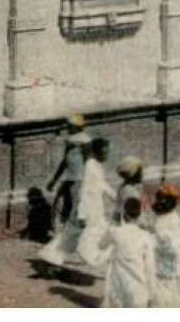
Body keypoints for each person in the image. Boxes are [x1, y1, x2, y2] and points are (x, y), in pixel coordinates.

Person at [38, 136, 111, 272]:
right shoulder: (90, 167)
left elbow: (102, 185)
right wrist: (82, 215)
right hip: (86, 211)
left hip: (92, 210)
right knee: (79, 235)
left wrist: (115, 196)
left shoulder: (95, 165)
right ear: (95, 152)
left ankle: (52, 259)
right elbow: (84, 192)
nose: (106, 155)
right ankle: (98, 258)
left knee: (71, 236)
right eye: (104, 152)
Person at [98, 197, 156, 308]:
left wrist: (113, 224)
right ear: (139, 215)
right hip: (138, 288)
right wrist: (152, 293)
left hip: (118, 288)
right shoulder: (145, 236)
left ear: (123, 213)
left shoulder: (114, 231)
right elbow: (150, 268)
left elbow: (101, 245)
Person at [148, 183, 180, 308]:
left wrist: (153, 241)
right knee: (172, 292)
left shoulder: (169, 220)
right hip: (170, 260)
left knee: (167, 292)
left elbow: (169, 243)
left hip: (167, 262)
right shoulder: (170, 217)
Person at [46, 115, 89, 226]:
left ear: (78, 127)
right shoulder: (71, 142)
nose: (69, 129)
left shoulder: (84, 141)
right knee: (64, 206)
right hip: (70, 179)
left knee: (75, 208)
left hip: (79, 180)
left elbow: (87, 162)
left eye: (71, 127)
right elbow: (65, 162)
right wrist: (54, 180)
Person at [114, 156, 145, 223]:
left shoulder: (123, 188)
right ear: (131, 173)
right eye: (139, 171)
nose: (141, 175)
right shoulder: (130, 191)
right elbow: (134, 216)